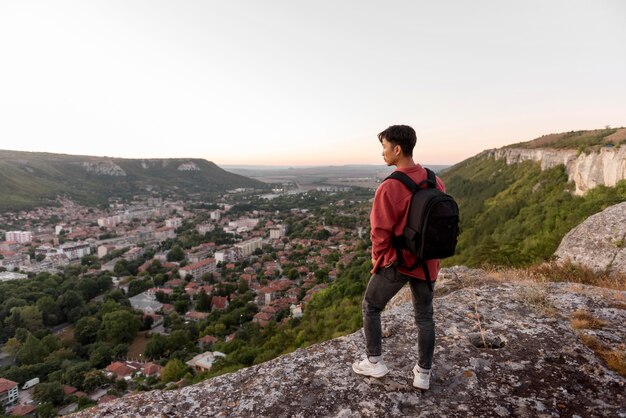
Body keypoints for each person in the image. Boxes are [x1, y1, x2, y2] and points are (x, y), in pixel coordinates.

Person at [352, 125, 445, 390]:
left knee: (371, 306)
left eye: (384, 147)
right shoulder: (433, 179)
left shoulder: (389, 186)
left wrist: (382, 260)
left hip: (399, 261)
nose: (382, 153)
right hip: (428, 262)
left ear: (397, 149)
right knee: (425, 318)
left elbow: (379, 232)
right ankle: (423, 373)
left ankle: (375, 362)